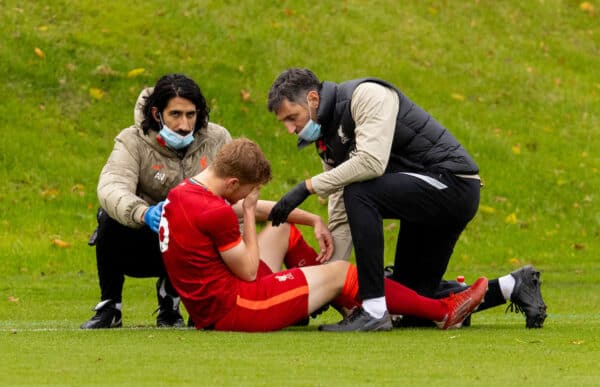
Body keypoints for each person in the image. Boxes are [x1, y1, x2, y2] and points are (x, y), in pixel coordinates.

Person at [266, 68, 547, 331]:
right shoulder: (327, 137)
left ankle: (374, 313)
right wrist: (328, 284)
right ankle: (512, 285)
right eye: (285, 123)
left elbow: (371, 163)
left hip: (452, 185)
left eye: (293, 117)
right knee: (409, 305)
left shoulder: (366, 95)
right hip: (427, 199)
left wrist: (305, 187)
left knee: (360, 192)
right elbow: (340, 210)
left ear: (313, 99)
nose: (291, 129)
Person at [159, 138, 488, 332]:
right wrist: (246, 211)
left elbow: (260, 213)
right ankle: (443, 311)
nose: (250, 199)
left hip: (215, 302)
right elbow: (246, 269)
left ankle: (348, 302)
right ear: (233, 184)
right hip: (235, 308)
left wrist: (310, 218)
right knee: (341, 272)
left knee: (282, 228)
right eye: (249, 192)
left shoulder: (186, 193)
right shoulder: (216, 211)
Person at [81, 74, 232, 329]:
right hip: (145, 241)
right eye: (175, 114)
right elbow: (111, 187)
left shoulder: (218, 140)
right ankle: (110, 306)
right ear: (156, 113)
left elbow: (239, 191)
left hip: (195, 245)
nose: (184, 125)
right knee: (107, 217)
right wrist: (143, 213)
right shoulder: (132, 140)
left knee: (207, 222)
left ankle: (176, 304)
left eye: (191, 115)